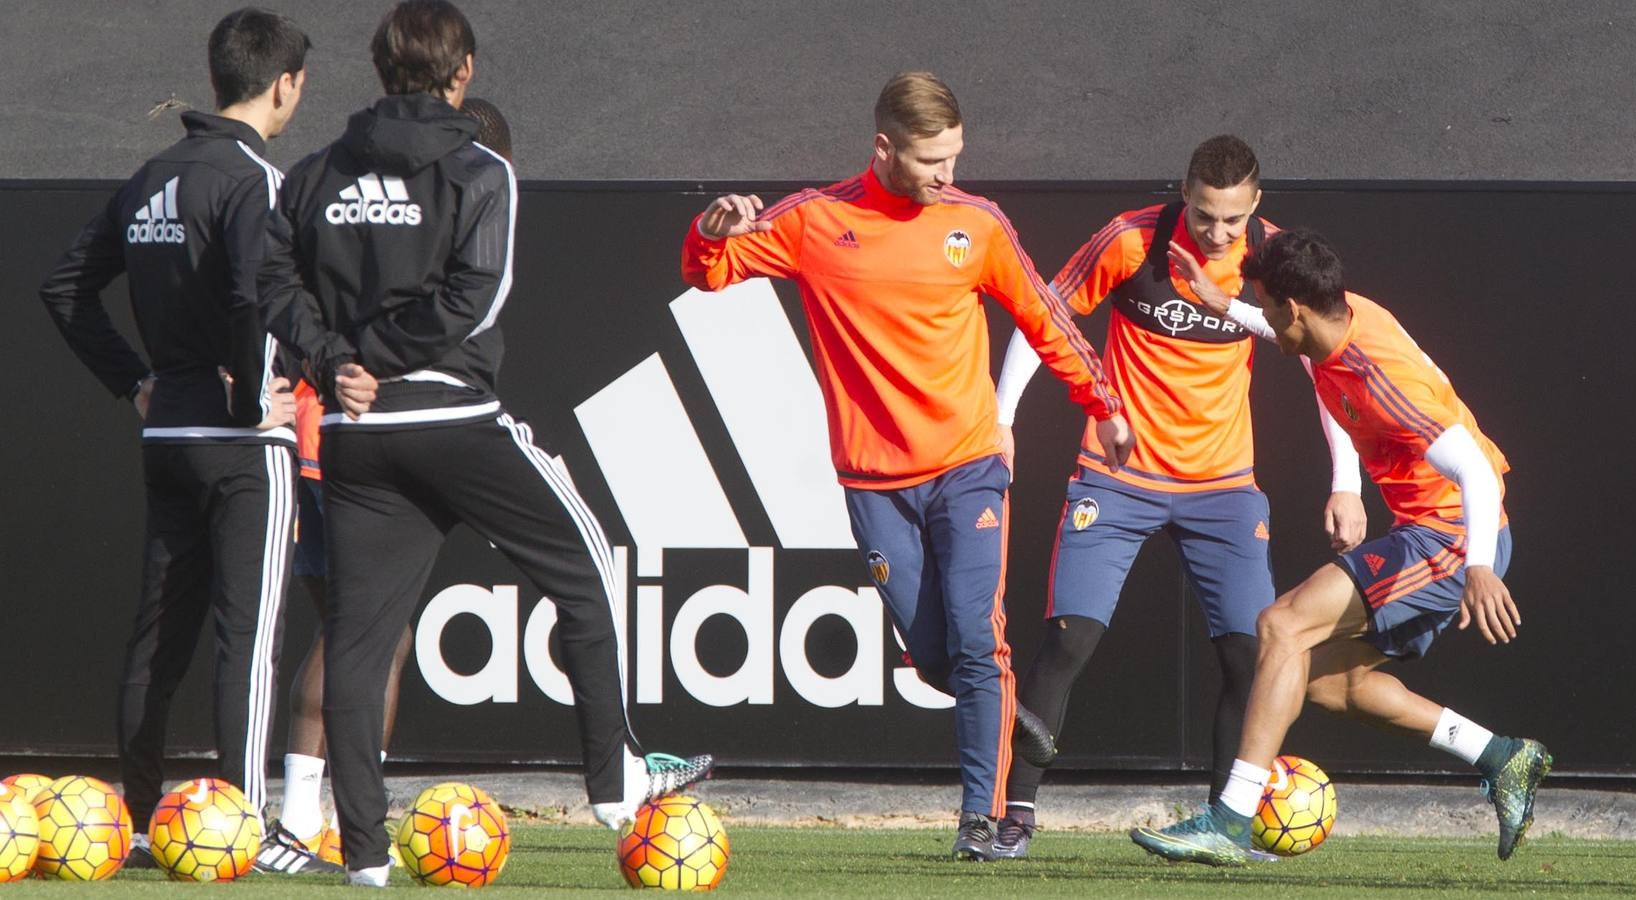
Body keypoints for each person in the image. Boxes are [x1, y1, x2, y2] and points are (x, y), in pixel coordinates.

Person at [257, 2, 710, 886]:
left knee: (355, 642)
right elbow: (476, 299)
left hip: (357, 434)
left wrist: (336, 359)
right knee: (587, 570)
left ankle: (362, 859)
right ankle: (616, 793)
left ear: (384, 69)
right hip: (451, 418)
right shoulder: (482, 168)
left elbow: (269, 281)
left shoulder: (310, 174)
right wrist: (370, 357)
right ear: (460, 72)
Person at [681, 70, 1133, 861]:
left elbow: (1045, 317)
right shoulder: (815, 221)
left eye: (954, 157)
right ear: (884, 147)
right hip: (873, 483)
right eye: (931, 160)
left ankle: (980, 824)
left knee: (974, 641)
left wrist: (1104, 405)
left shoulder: (976, 225)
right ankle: (1001, 711)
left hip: (969, 469)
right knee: (934, 658)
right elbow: (707, 273)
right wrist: (711, 232)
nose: (947, 175)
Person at [990, 136, 1365, 857]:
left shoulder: (1276, 260)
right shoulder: (1132, 240)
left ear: (1256, 206)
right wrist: (1003, 422)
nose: (1216, 233)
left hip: (1223, 490)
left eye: (1230, 220)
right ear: (1182, 194)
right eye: (1201, 215)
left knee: (1249, 660)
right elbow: (1046, 318)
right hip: (1117, 478)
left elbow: (1329, 367)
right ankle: (1013, 817)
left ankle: (1225, 828)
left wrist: (1345, 483)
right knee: (1069, 641)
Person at [1130, 229, 1550, 866]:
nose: (1266, 317)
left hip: (1454, 535)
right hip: (1432, 531)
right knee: (1328, 682)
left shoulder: (1380, 375)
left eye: (1268, 305)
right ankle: (1501, 756)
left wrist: (1481, 569)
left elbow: (1476, 470)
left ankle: (1231, 820)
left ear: (1295, 308)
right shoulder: (1334, 321)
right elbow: (1282, 332)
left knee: (1281, 626)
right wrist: (1222, 303)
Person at [36, 6, 324, 872]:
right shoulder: (254, 179)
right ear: (285, 85)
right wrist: (248, 406)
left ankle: (128, 820)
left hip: (170, 438)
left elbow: (64, 288)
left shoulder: (155, 174)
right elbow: (251, 296)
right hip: (241, 449)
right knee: (251, 635)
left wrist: (137, 382)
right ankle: (247, 831)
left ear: (215, 79)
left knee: (158, 633)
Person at [268, 94, 515, 868]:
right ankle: (306, 821)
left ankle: (322, 820)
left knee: (365, 635)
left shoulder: (357, 197)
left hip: (333, 436)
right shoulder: (452, 207)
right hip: (342, 438)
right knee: (363, 636)